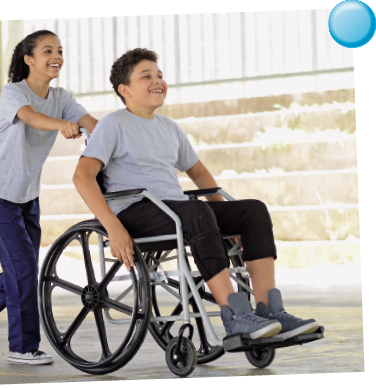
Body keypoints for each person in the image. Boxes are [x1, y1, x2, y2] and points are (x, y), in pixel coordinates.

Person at [72, 48, 319, 341]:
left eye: (160, 75)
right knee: (195, 211)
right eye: (146, 76)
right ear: (124, 89)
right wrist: (113, 228)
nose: (157, 80)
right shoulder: (113, 125)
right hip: (135, 212)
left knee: (252, 211)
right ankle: (235, 316)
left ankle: (269, 311)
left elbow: (200, 174)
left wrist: (228, 222)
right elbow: (82, 176)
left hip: (174, 210)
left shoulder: (170, 128)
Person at [0, 30, 98, 365]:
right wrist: (63, 125)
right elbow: (31, 117)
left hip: (27, 195)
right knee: (21, 270)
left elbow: (89, 120)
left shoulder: (62, 97)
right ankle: (22, 347)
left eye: (60, 50)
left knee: (21, 271)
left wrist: (110, 135)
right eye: (48, 50)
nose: (56, 56)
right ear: (29, 59)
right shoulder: (13, 92)